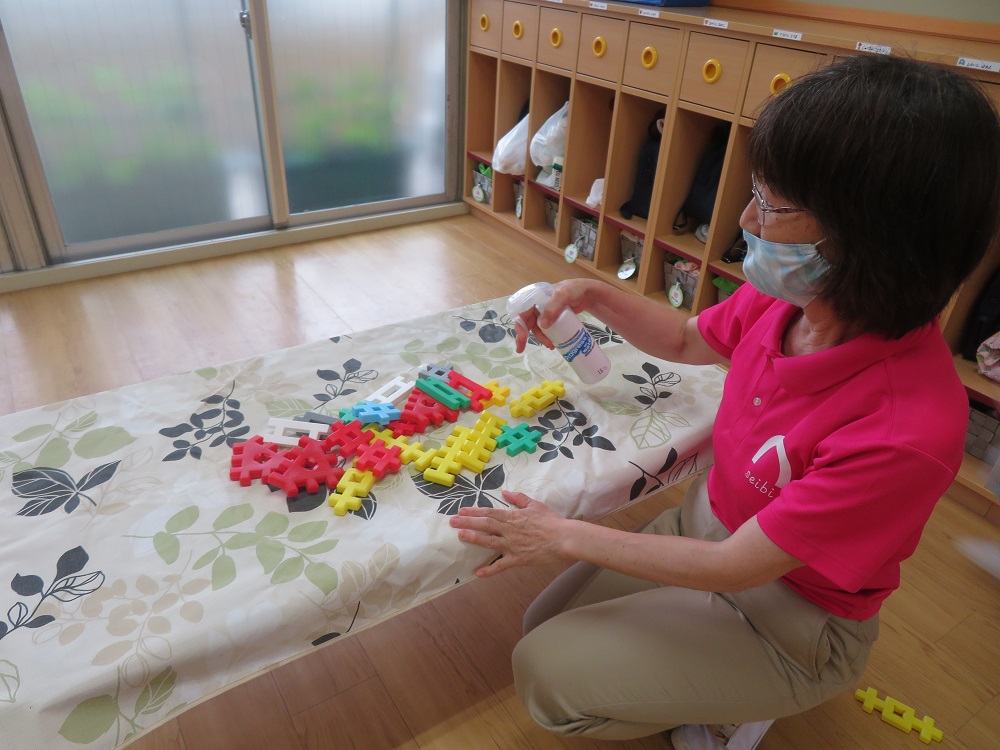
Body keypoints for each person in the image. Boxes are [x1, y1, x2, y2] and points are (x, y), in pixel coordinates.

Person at [449, 54, 1000, 749]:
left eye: (772, 204)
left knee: (545, 678)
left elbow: (741, 567)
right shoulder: (788, 301)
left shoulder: (906, 426)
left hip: (794, 613)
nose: (744, 217)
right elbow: (685, 337)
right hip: (710, 530)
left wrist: (559, 534)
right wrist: (593, 296)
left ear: (871, 239)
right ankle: (694, 664)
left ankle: (728, 701)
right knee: (541, 627)